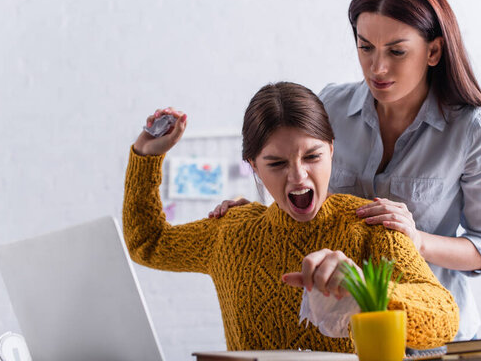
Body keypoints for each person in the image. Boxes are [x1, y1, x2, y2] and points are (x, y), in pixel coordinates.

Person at [209, 0, 481, 340]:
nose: (377, 68)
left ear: (433, 51)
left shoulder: (472, 131)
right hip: (340, 333)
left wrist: (417, 239)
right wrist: (261, 215)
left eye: (396, 51)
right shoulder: (331, 105)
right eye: (365, 47)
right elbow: (305, 191)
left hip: (425, 333)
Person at [123, 82, 459, 352]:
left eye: (312, 156)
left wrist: (365, 288)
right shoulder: (230, 232)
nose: (298, 177)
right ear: (253, 166)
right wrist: (145, 158)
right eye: (277, 164)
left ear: (331, 149)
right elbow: (148, 243)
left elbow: (445, 318)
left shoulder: (369, 226)